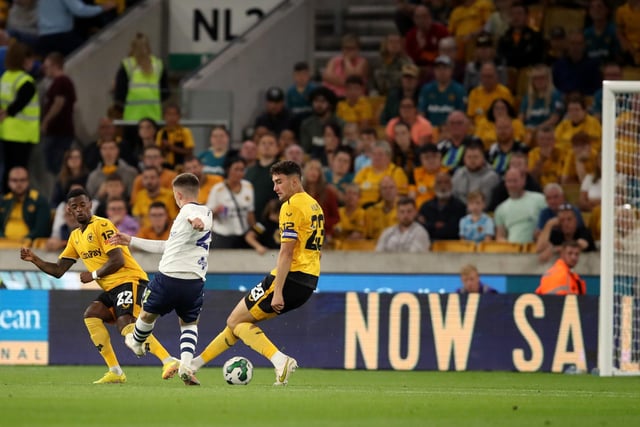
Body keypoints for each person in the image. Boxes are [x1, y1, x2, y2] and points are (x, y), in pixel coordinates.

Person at [20, 187, 177, 384]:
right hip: (111, 287)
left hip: (129, 279)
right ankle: (115, 372)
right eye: (74, 207)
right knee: (92, 315)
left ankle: (168, 360)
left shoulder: (102, 225)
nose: (79, 210)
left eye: (83, 205)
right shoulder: (76, 236)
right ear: (69, 210)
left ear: (90, 205)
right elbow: (59, 270)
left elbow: (117, 259)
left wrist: (93, 275)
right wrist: (35, 259)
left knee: (125, 323)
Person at [189, 160, 323, 386]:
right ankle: (195, 365)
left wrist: (278, 290)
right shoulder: (314, 206)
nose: (275, 188)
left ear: (294, 181)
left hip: (289, 277)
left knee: (235, 320)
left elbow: (286, 253)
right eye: (273, 182)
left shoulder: (291, 206)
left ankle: (280, 360)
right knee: (237, 323)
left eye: (279, 182)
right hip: (308, 280)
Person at [109, 173, 213, 386]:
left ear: (178, 194)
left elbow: (192, 215)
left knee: (147, 314)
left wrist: (196, 221)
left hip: (169, 277)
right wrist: (131, 240)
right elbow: (167, 246)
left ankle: (136, 342)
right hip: (195, 281)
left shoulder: (188, 211)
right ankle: (186, 365)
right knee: (189, 323)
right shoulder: (207, 211)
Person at [0, 40, 39, 191]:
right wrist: (8, 111)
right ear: (23, 60)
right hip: (22, 132)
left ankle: (6, 200)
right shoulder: (25, 81)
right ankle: (17, 202)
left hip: (7, 131)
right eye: (30, 59)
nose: (33, 62)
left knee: (9, 170)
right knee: (19, 172)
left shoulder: (6, 77)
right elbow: (21, 102)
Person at [114, 32, 168, 123]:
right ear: (148, 46)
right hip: (153, 118)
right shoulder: (158, 65)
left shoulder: (128, 65)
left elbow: (119, 94)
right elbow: (166, 92)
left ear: (132, 47)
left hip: (132, 118)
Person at [40, 51, 76, 176]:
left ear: (55, 65)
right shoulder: (59, 82)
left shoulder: (62, 81)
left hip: (59, 132)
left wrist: (46, 121)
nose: (45, 70)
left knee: (57, 166)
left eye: (47, 66)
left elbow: (58, 103)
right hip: (58, 132)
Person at [207, 156, 255, 249]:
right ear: (228, 170)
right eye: (236, 169)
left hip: (242, 235)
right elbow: (208, 214)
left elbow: (250, 212)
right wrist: (216, 210)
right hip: (222, 235)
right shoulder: (218, 189)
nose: (239, 173)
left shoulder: (248, 186)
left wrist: (254, 230)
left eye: (242, 170)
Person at [37, 0, 115, 57]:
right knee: (88, 54)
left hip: (44, 38)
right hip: (61, 37)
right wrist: (102, 8)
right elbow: (79, 10)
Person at [494, 167, 547, 243]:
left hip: (536, 248)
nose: (512, 184)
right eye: (509, 181)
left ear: (523, 181)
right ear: (505, 183)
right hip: (513, 251)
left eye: (515, 181)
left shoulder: (540, 199)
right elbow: (500, 236)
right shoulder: (500, 209)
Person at [0, 166, 50, 243]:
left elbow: (41, 230)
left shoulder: (39, 201)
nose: (18, 184)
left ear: (28, 181)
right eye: (14, 180)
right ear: (8, 182)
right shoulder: (4, 201)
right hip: (4, 244)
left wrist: (25, 240)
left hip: (29, 245)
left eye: (22, 180)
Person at [417, 172, 467, 241]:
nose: (443, 186)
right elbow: (421, 228)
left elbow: (456, 230)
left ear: (451, 185)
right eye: (439, 183)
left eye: (446, 182)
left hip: (453, 245)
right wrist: (435, 225)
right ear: (434, 186)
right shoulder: (426, 207)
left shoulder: (460, 207)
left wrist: (431, 225)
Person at [518, 64, 564, 133]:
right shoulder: (527, 97)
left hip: (547, 131)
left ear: (548, 79)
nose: (539, 81)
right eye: (536, 78)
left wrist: (537, 129)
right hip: (528, 131)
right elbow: (521, 117)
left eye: (542, 78)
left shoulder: (556, 95)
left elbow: (555, 119)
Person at [451, 139, 500, 204]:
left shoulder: (491, 177)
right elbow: (452, 197)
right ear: (464, 159)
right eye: (469, 157)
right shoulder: (458, 173)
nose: (472, 160)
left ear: (483, 158)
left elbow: (484, 203)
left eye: (476, 157)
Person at [322, 33, 369, 98]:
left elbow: (353, 78)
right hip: (332, 96)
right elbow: (326, 76)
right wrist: (346, 84)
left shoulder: (362, 62)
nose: (348, 51)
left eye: (352, 48)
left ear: (358, 49)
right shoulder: (334, 60)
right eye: (346, 48)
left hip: (352, 97)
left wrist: (347, 60)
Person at [155, 103, 194, 170]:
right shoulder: (161, 133)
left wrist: (171, 147)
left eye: (174, 114)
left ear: (179, 116)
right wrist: (164, 147)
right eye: (169, 114)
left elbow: (189, 151)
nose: (171, 117)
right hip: (165, 166)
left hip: (181, 166)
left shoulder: (185, 131)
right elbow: (157, 151)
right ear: (164, 116)